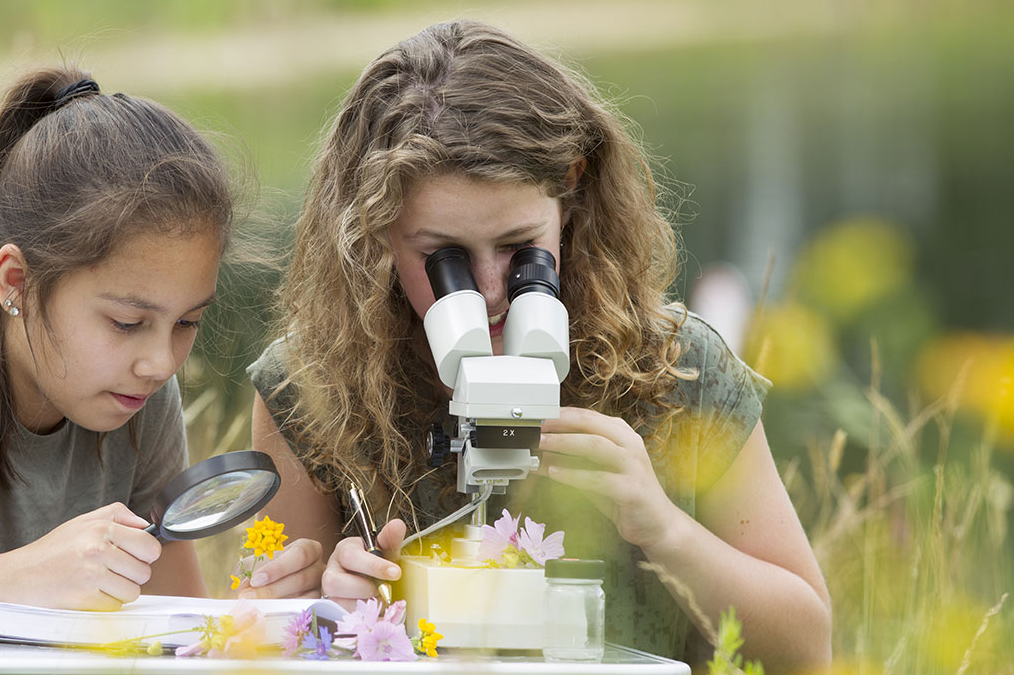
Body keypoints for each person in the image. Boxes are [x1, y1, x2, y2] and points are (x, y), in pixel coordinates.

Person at [248, 20, 831, 673]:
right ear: (376, 231)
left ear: (571, 190)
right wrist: (331, 610)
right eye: (446, 258)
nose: (493, 291)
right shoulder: (311, 385)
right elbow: (264, 639)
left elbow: (807, 650)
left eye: (519, 247)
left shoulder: (679, 368)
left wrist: (666, 529)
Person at [0, 66, 321, 660]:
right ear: (17, 282)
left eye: (188, 322)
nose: (160, 363)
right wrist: (11, 580)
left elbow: (178, 639)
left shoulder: (140, 401)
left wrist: (257, 620)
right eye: (126, 323)